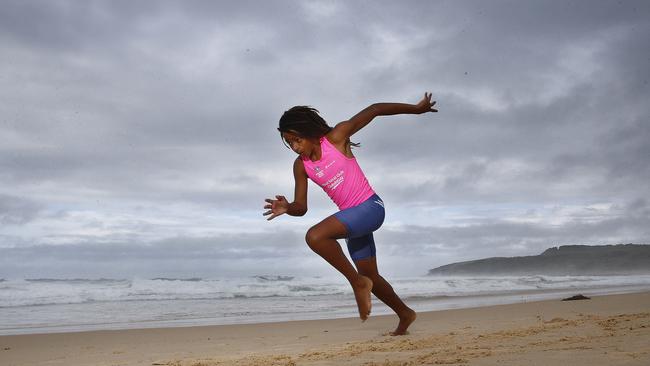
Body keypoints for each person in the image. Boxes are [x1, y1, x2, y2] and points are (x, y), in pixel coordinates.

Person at [263, 92, 438, 335]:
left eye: (297, 140)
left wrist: (416, 109)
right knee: (371, 276)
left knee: (315, 236)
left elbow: (375, 109)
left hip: (370, 208)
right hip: (352, 219)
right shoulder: (301, 165)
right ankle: (405, 313)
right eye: (289, 143)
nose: (294, 147)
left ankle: (356, 282)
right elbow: (301, 207)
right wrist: (288, 207)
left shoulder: (336, 138)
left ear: (309, 132)